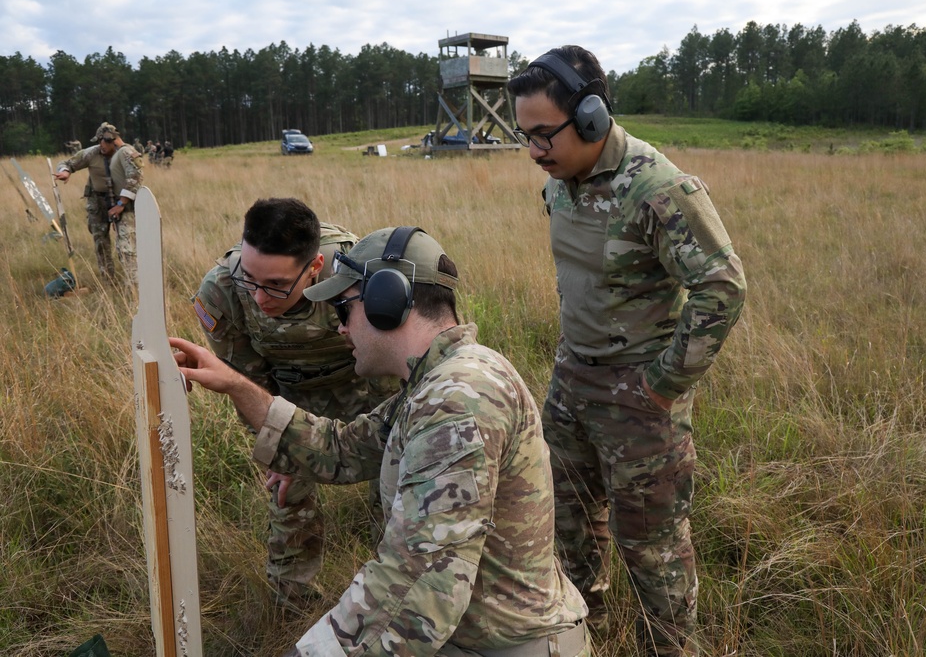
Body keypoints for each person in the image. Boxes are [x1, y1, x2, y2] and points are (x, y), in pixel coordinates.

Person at [171, 226, 591, 656]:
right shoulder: (433, 383)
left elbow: (418, 582)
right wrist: (237, 385)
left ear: (386, 302)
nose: (339, 329)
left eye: (342, 308)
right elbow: (340, 448)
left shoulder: (458, 398)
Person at [507, 45, 747, 656]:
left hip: (638, 398)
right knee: (569, 523)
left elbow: (722, 285)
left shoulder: (657, 187)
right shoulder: (560, 182)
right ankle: (584, 632)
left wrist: (665, 383)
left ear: (589, 117)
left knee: (652, 545)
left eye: (542, 134)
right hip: (571, 383)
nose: (533, 150)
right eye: (523, 135)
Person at [192, 198, 387, 607]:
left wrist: (394, 437)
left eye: (277, 285)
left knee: (397, 474)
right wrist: (279, 454)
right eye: (251, 278)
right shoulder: (222, 293)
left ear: (315, 268)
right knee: (286, 492)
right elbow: (245, 383)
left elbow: (390, 368)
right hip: (285, 393)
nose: (260, 298)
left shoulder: (359, 278)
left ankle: (392, 587)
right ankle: (292, 600)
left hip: (363, 386)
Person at [55, 122, 144, 285]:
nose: (100, 145)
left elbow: (135, 179)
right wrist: (65, 172)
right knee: (101, 242)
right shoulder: (92, 153)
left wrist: (121, 204)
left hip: (123, 203)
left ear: (112, 140)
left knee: (126, 244)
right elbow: (66, 163)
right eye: (99, 141)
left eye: (103, 141)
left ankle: (133, 284)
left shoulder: (127, 154)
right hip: (98, 202)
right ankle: (108, 281)